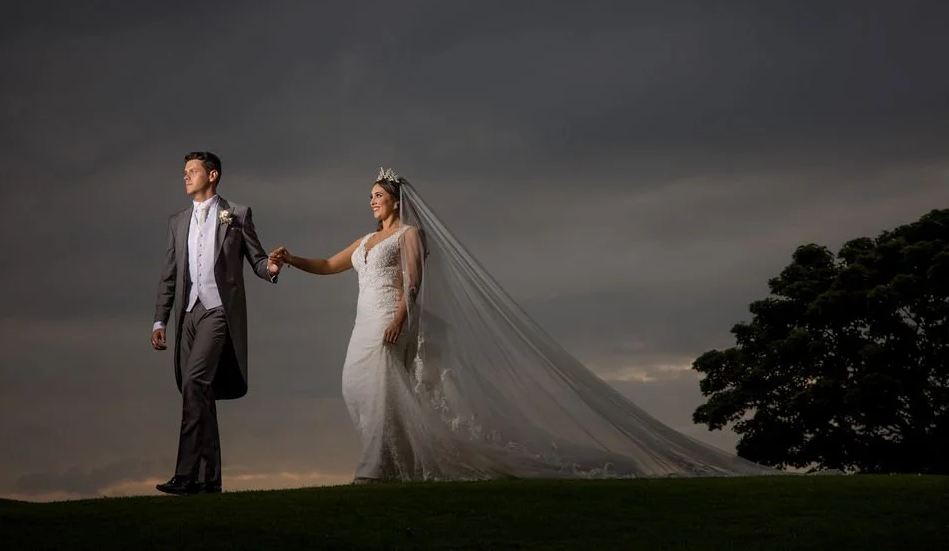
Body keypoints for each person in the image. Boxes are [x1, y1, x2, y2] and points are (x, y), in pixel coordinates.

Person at [269, 167, 776, 483]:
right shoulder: (363, 241)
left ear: (397, 199)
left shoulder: (410, 233)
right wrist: (291, 259)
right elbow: (330, 266)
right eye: (370, 196)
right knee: (356, 388)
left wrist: (403, 315)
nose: (372, 201)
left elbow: (415, 283)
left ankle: (375, 472)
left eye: (378, 195)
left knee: (384, 389)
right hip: (362, 324)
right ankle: (396, 466)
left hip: (390, 319)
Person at [150, 151, 280, 494]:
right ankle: (210, 481)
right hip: (187, 315)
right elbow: (168, 276)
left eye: (192, 171)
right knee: (199, 392)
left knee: (194, 381)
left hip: (219, 311)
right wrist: (160, 320)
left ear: (212, 175)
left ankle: (186, 475)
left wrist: (272, 268)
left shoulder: (236, 215)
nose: (185, 176)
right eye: (184, 172)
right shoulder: (177, 222)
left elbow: (257, 259)